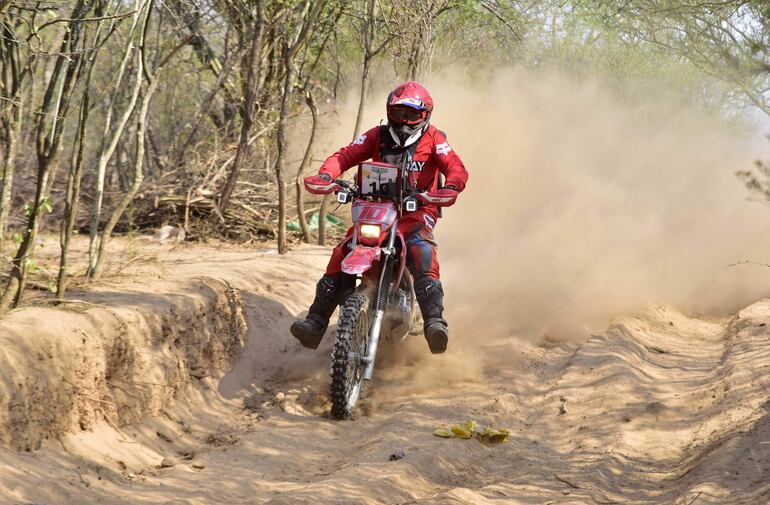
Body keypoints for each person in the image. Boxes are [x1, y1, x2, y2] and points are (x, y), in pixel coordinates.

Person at [291, 81, 468, 354]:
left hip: (417, 210)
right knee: (343, 250)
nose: (405, 121)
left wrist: (451, 187)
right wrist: (327, 175)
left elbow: (455, 167)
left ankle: (435, 322)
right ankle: (315, 322)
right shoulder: (377, 136)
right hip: (377, 210)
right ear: (389, 112)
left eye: (412, 115)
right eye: (398, 114)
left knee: (421, 250)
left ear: (426, 115)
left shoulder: (434, 139)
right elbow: (346, 155)